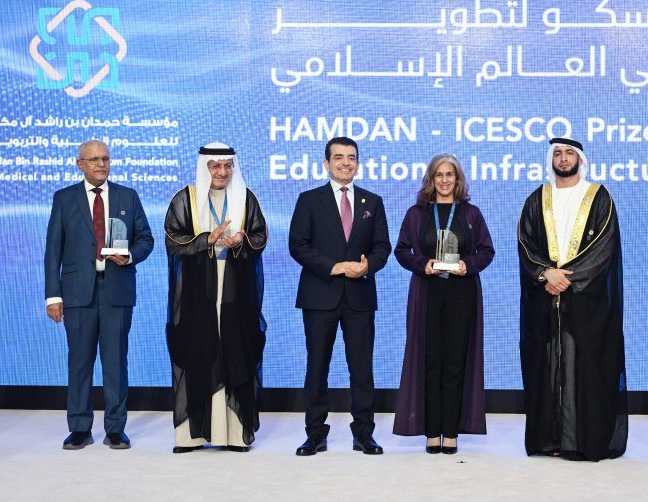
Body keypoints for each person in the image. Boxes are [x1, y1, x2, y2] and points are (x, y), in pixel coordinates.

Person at [517, 138, 627, 461]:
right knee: (549, 367)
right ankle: (550, 439)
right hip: (545, 302)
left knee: (584, 369)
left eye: (569, 154)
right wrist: (545, 274)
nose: (563, 159)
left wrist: (566, 278)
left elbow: (604, 246)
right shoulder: (537, 199)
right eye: (558, 154)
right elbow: (525, 242)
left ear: (580, 159)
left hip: (587, 303)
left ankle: (581, 442)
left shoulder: (599, 196)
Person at [44, 139, 154, 450]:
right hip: (77, 294)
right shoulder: (64, 198)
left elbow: (146, 239)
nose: (101, 164)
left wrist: (129, 256)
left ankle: (115, 429)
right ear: (80, 164)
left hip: (116, 291)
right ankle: (79, 428)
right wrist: (53, 296)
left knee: (115, 362)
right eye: (94, 159)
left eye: (105, 158)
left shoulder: (127, 196)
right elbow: (53, 250)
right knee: (79, 363)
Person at [289, 136, 391, 456]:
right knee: (317, 367)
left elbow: (382, 247)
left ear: (358, 164)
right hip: (320, 295)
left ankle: (364, 433)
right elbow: (298, 245)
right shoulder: (309, 200)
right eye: (339, 157)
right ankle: (315, 434)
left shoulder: (373, 202)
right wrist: (333, 267)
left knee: (361, 369)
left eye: (351, 157)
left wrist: (367, 266)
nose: (345, 163)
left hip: (360, 296)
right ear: (326, 163)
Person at [164, 143, 268, 453]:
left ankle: (234, 434)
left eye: (227, 166)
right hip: (197, 293)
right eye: (215, 166)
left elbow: (260, 236)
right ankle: (192, 436)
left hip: (237, 290)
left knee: (236, 352)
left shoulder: (246, 198)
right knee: (199, 352)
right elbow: (172, 239)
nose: (222, 172)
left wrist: (241, 241)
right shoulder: (186, 199)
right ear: (204, 167)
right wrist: (204, 241)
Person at [393, 154, 495, 454]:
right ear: (431, 179)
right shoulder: (416, 213)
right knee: (430, 360)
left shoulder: (471, 213)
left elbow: (486, 251)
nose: (445, 180)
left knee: (455, 362)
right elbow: (401, 251)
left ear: (458, 179)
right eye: (439, 174)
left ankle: (450, 432)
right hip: (427, 293)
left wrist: (467, 265)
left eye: (450, 174)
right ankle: (431, 431)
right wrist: (422, 264)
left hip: (462, 293)